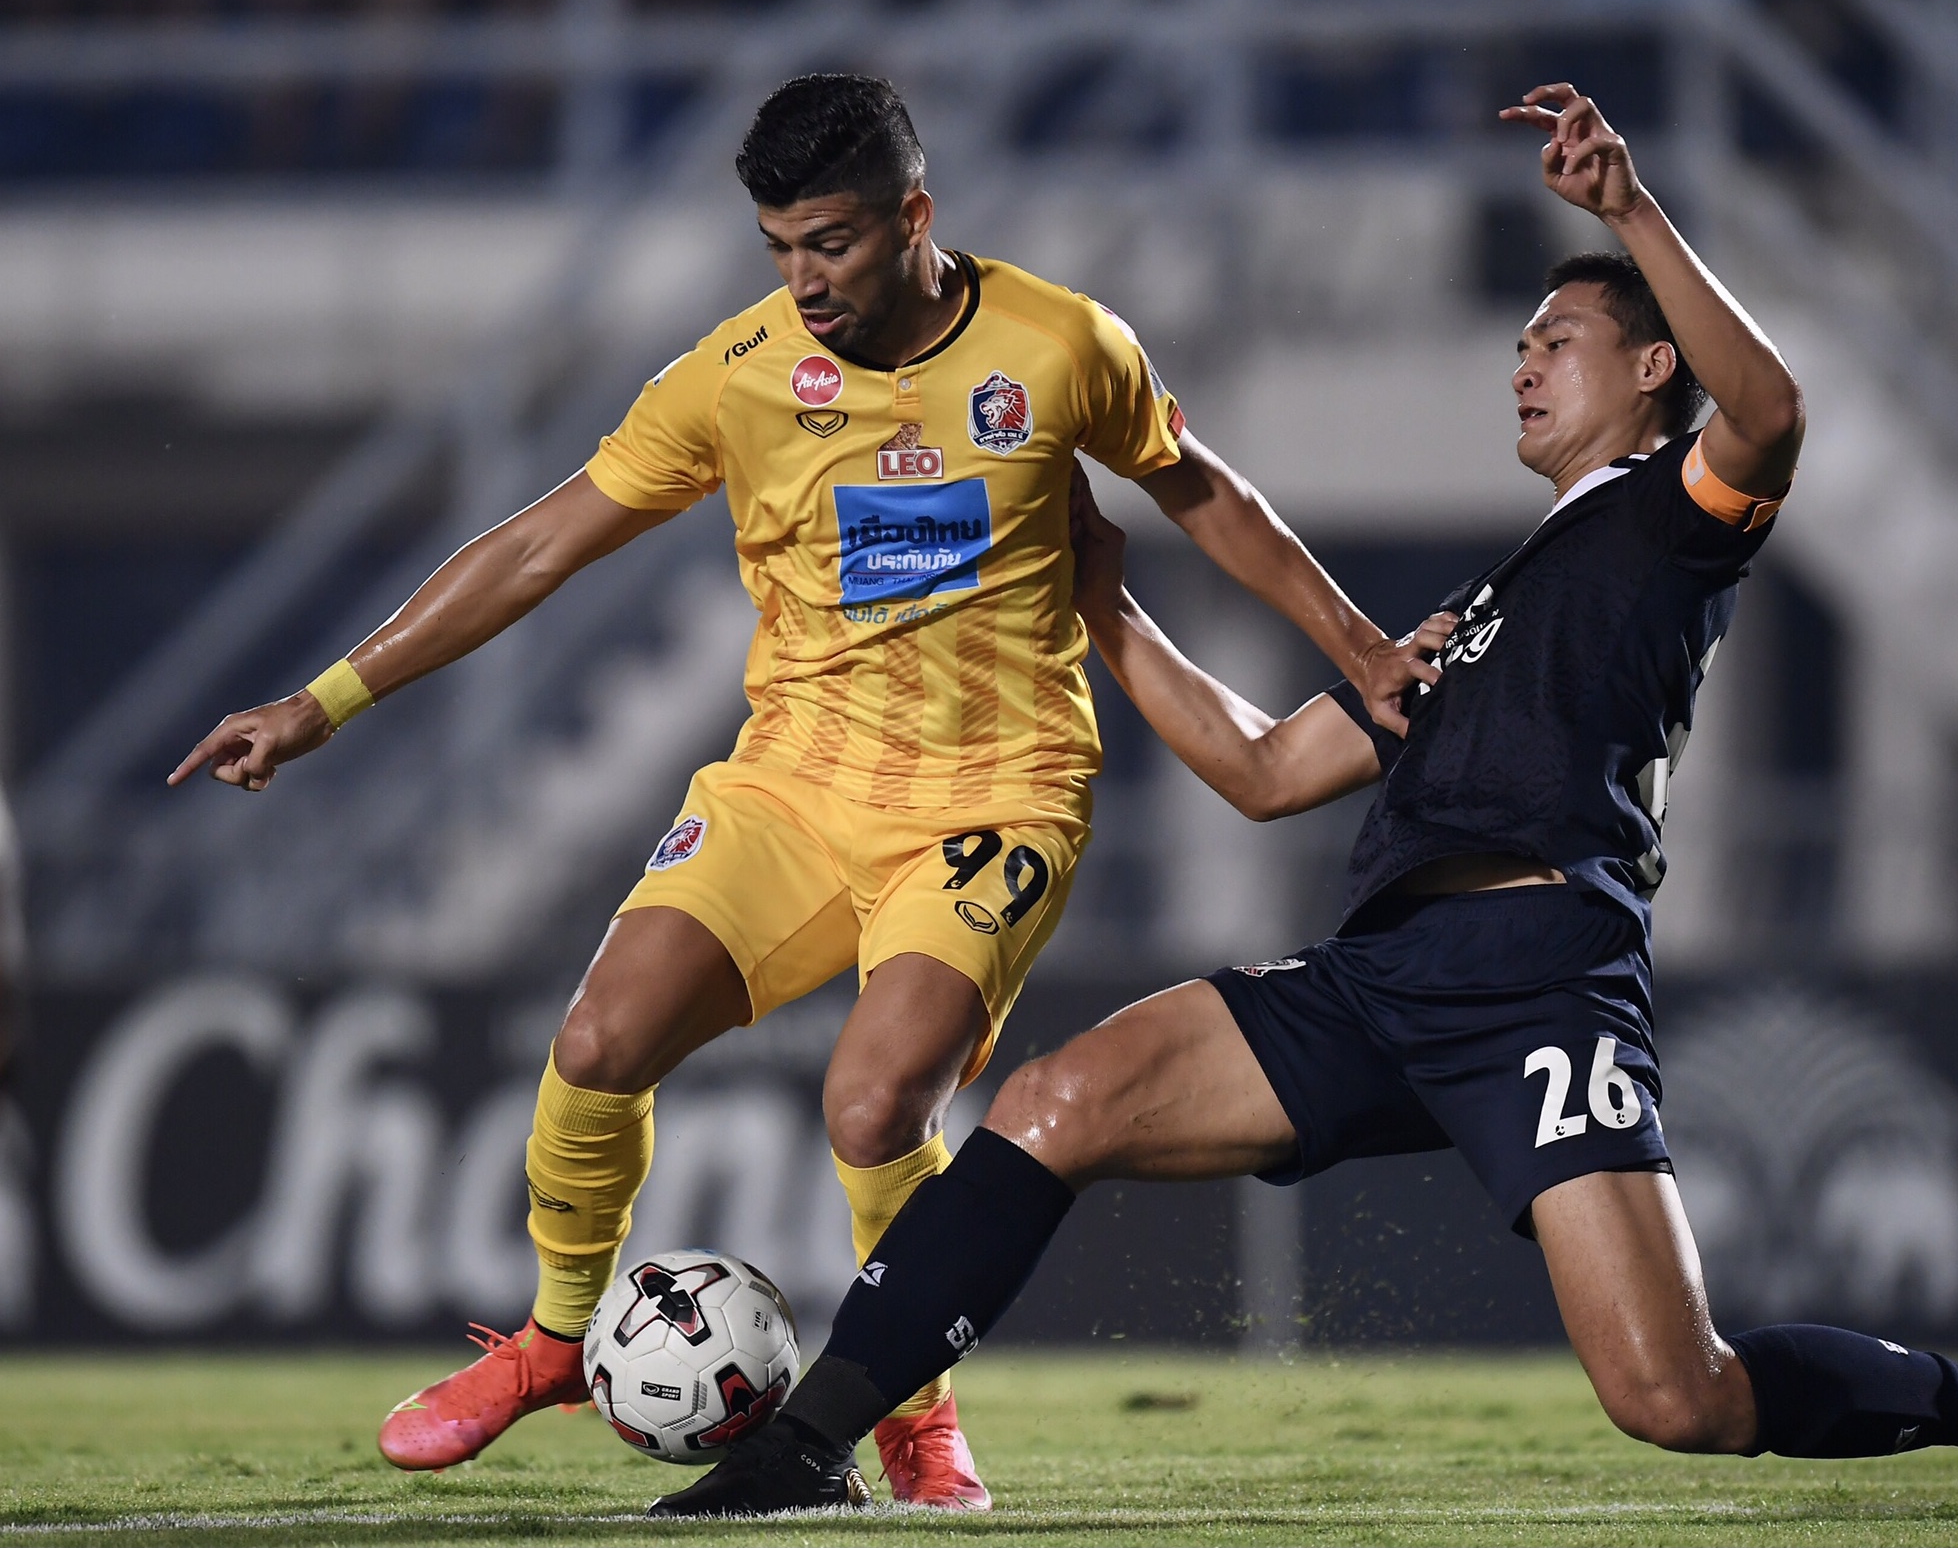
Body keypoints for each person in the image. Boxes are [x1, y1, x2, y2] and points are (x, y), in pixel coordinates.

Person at [641, 84, 1958, 1520]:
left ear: (1652, 369)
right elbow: (1263, 770)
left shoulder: (1673, 521)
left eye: (1557, 336)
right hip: (1383, 979)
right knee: (1055, 1103)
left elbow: (1775, 413)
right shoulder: (1489, 604)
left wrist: (1628, 213)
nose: (1522, 359)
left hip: (1542, 981)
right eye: (1519, 338)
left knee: (1678, 1394)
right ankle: (806, 1447)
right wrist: (1104, 604)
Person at [169, 73, 1414, 1508]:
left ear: (914, 215)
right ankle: (559, 1338)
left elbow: (1206, 497)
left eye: (830, 241)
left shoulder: (1062, 345)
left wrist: (1362, 648)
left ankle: (904, 1409)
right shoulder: (739, 374)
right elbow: (536, 547)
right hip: (795, 784)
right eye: (777, 245)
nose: (802, 279)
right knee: (595, 1040)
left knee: (875, 1101)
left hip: (996, 793)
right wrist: (323, 702)